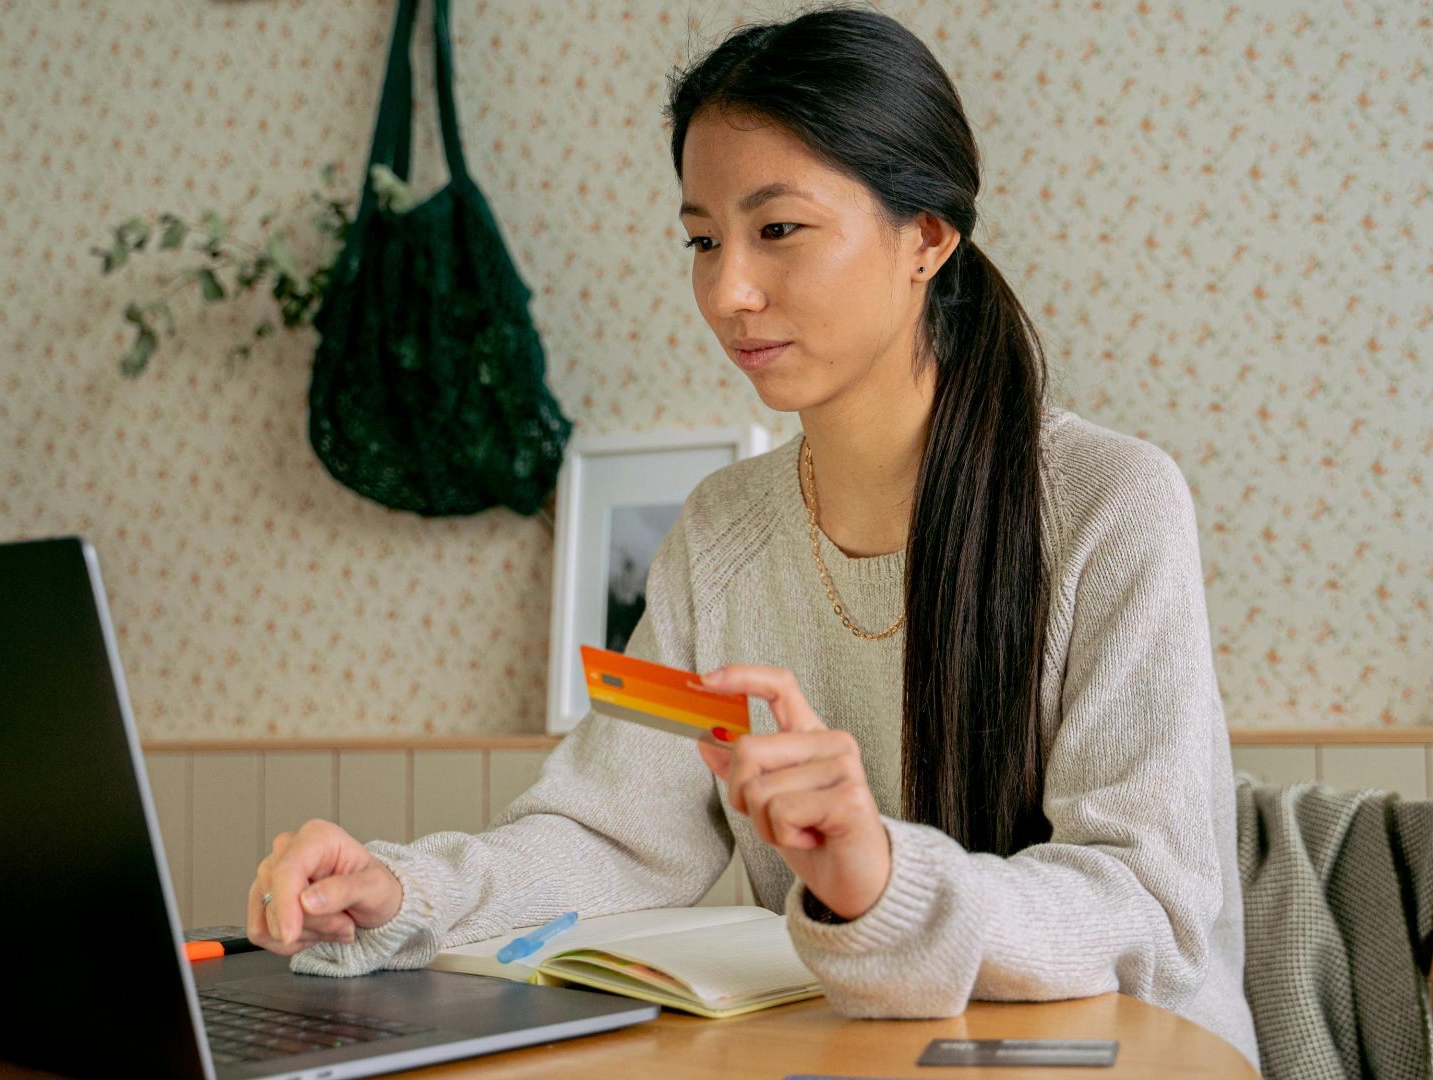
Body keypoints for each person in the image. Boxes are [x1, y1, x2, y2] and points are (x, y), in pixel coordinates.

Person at [246, 4, 1256, 1065]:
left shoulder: (1111, 502)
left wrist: (882, 878)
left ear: (927, 236)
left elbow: (1146, 901)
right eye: (701, 239)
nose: (728, 291)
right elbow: (614, 834)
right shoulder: (721, 530)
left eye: (778, 230)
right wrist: (404, 891)